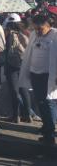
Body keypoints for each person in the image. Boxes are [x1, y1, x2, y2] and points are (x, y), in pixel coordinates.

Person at [19, 14, 57, 145]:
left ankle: (50, 133)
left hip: (48, 76)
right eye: (35, 29)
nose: (37, 31)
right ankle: (46, 126)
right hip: (35, 74)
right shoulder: (35, 35)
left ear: (48, 25)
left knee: (49, 103)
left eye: (40, 29)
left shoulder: (55, 36)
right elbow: (29, 52)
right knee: (41, 102)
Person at [3, 13, 31, 123]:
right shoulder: (25, 33)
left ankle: (16, 116)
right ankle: (27, 115)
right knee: (24, 89)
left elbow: (7, 50)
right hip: (23, 63)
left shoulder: (9, 34)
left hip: (12, 65)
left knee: (14, 90)